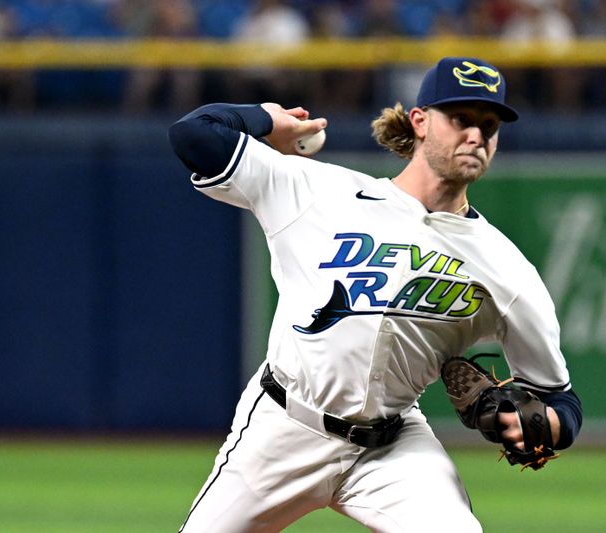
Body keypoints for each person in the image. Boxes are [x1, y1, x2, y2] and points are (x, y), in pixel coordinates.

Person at [168, 56, 583, 533]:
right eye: (462, 119)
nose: (476, 135)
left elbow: (558, 398)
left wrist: (546, 425)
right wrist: (267, 119)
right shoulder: (318, 190)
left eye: (489, 125)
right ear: (420, 121)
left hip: (392, 447)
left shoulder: (505, 268)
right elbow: (194, 133)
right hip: (283, 428)